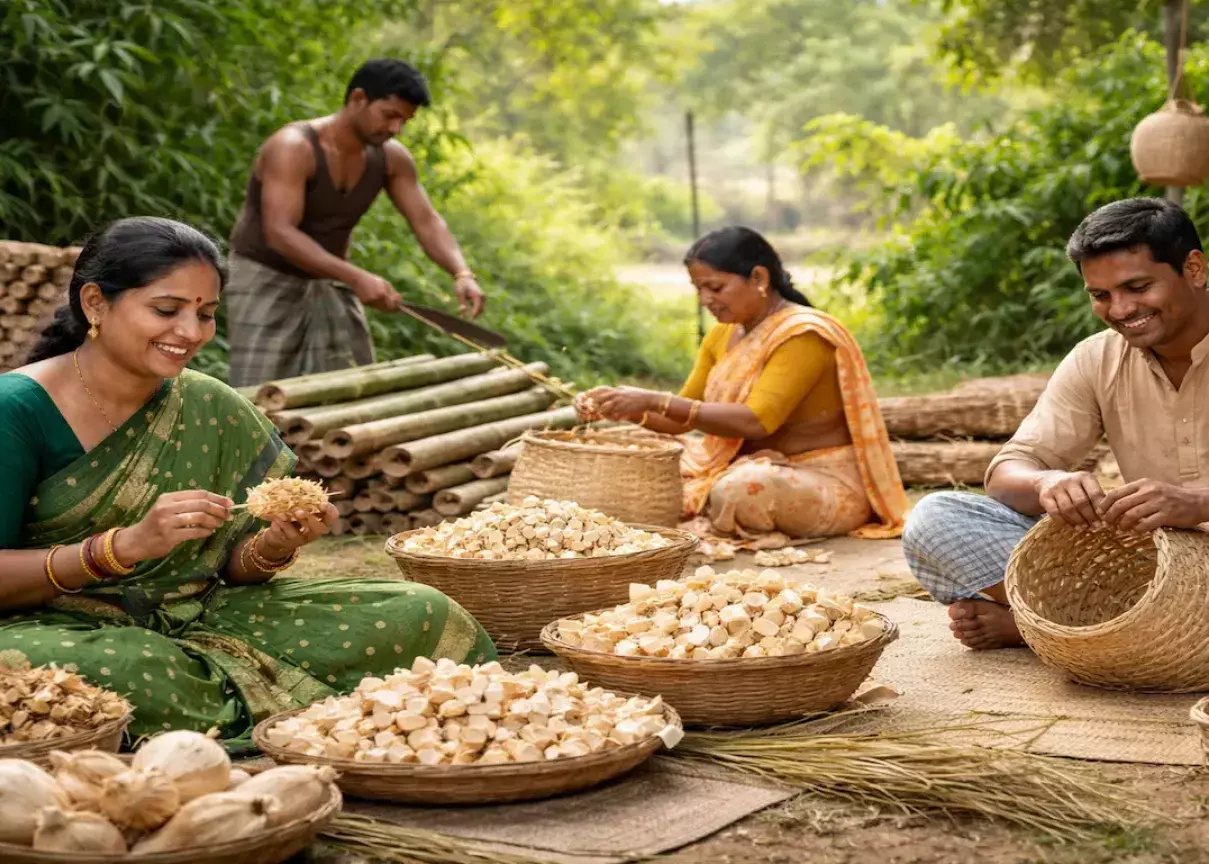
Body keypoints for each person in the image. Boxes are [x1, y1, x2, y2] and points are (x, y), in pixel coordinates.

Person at [0, 217, 495, 746]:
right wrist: (122, 547)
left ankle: (222, 709)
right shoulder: (18, 410)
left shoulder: (210, 404)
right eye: (166, 310)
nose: (190, 333)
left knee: (421, 610)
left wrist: (273, 546)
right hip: (54, 626)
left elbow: (231, 567)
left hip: (201, 612)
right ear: (95, 303)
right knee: (106, 672)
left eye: (206, 314)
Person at [902, 197, 1209, 650]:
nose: (1120, 310)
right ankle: (1124, 632)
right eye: (1100, 296)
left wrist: (1199, 504)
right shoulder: (1096, 358)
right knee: (938, 519)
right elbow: (1009, 471)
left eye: (1138, 287)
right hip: (1148, 570)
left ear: (1195, 269)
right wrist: (1048, 481)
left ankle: (1048, 629)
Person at [578, 226, 908, 540]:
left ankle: (730, 516)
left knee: (742, 490)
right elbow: (678, 418)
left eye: (715, 287)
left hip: (818, 478)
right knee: (634, 451)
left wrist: (654, 400)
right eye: (699, 290)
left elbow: (757, 420)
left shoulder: (802, 334)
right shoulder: (724, 333)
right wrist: (623, 407)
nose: (705, 300)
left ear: (759, 277)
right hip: (734, 464)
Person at [225, 58, 486, 387]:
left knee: (350, 388)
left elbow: (426, 220)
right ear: (358, 98)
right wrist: (357, 277)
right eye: (389, 115)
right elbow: (280, 233)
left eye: (404, 120)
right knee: (259, 393)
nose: (395, 128)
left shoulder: (391, 158)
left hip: (330, 281)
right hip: (265, 278)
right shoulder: (294, 147)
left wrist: (461, 273)